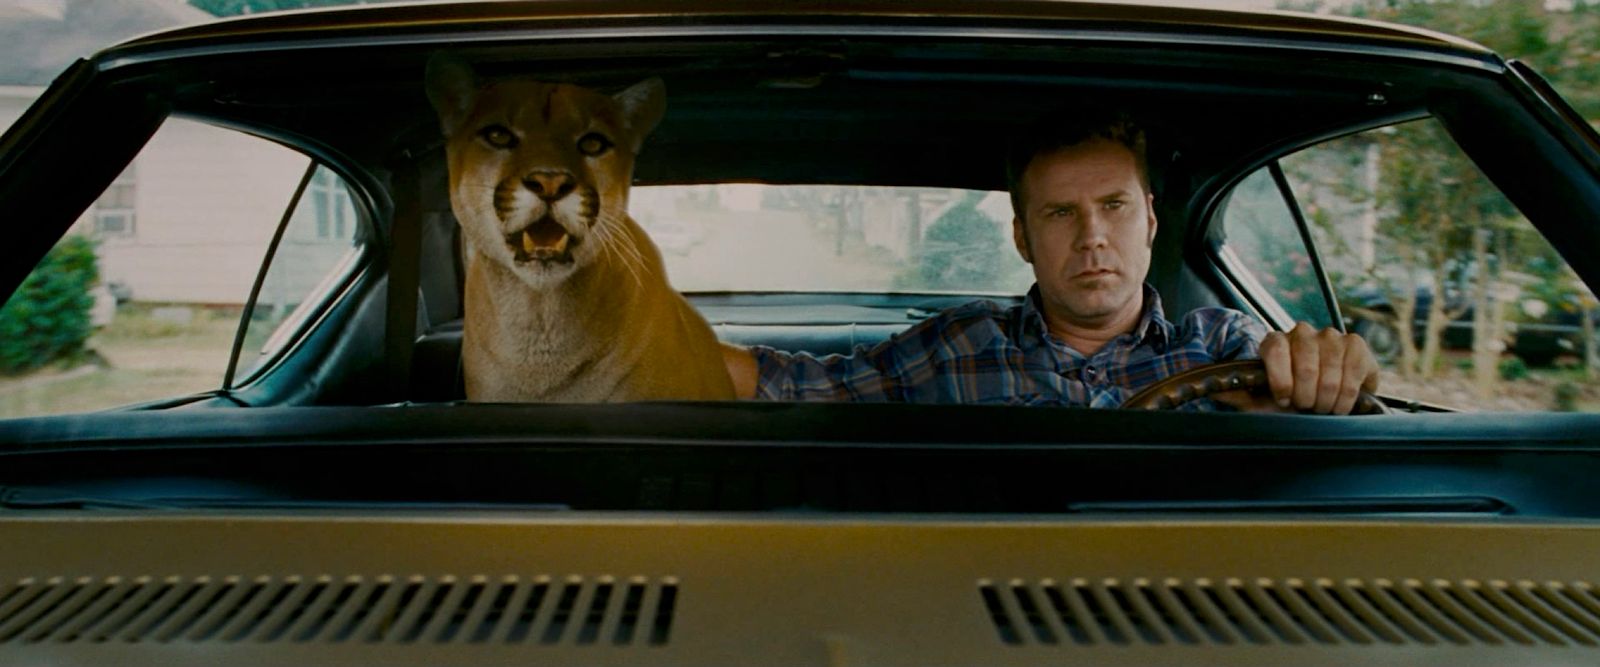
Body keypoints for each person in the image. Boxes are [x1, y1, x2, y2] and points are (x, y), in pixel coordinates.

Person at [721, 109, 1379, 414]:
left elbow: (1333, 395)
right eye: (1060, 213)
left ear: (1150, 219)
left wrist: (1336, 373)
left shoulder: (1228, 349)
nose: (1092, 235)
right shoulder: (960, 344)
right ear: (1022, 239)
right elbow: (790, 386)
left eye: (1114, 206)